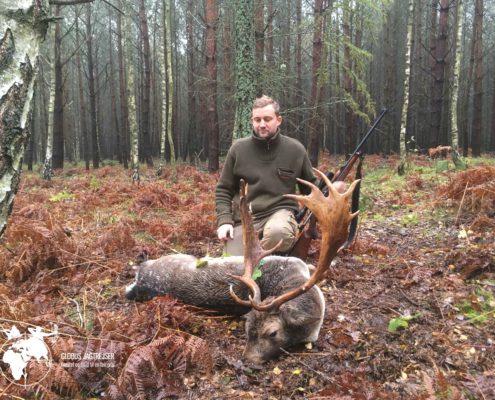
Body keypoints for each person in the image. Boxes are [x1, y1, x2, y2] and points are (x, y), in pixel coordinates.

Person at [215, 95, 318, 256]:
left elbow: (311, 190)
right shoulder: (238, 150)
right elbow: (223, 190)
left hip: (280, 214)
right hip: (245, 219)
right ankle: (269, 260)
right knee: (234, 264)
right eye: (257, 120)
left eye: (267, 119)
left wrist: (333, 192)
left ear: (278, 120)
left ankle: (270, 260)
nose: (262, 124)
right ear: (252, 121)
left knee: (278, 233)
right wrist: (224, 221)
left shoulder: (295, 150)